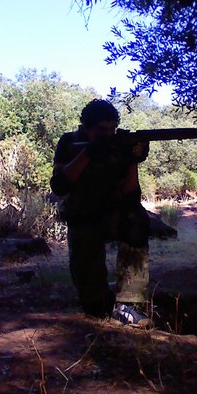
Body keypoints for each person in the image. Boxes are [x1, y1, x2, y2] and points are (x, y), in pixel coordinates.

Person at [50, 99, 151, 326]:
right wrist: (88, 154)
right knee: (94, 307)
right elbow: (60, 186)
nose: (109, 134)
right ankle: (100, 298)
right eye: (102, 130)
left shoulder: (118, 147)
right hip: (82, 219)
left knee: (136, 220)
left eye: (113, 129)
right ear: (86, 128)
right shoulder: (69, 143)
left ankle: (130, 302)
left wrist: (132, 159)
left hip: (112, 216)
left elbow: (131, 195)